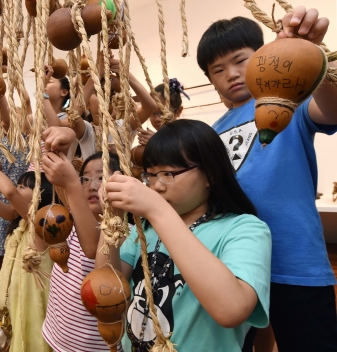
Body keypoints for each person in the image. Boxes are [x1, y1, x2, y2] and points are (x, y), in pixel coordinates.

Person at [196, 8, 337, 351]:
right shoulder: (212, 132)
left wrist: (315, 56)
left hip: (296, 263)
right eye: (218, 69)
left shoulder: (292, 101)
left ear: (261, 58)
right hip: (235, 268)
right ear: (211, 80)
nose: (231, 74)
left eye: (240, 60)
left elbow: (331, 110)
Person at [99, 119, 271, 351]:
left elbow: (232, 309)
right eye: (150, 175)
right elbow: (107, 285)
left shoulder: (245, 229)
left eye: (168, 173)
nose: (156, 186)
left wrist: (156, 209)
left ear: (210, 174)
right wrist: (112, 216)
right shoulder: (147, 230)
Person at [0, 127, 77, 352]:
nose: (17, 188)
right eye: (20, 184)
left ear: (40, 196)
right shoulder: (20, 222)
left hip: (33, 305)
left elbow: (11, 194)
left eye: (25, 186)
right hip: (17, 301)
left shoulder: (40, 225)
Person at [41, 151, 125, 351]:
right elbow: (54, 163)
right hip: (59, 332)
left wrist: (112, 213)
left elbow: (97, 259)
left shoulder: (120, 233)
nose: (92, 185)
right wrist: (63, 138)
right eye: (84, 179)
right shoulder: (72, 215)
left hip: (91, 345)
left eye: (101, 178)